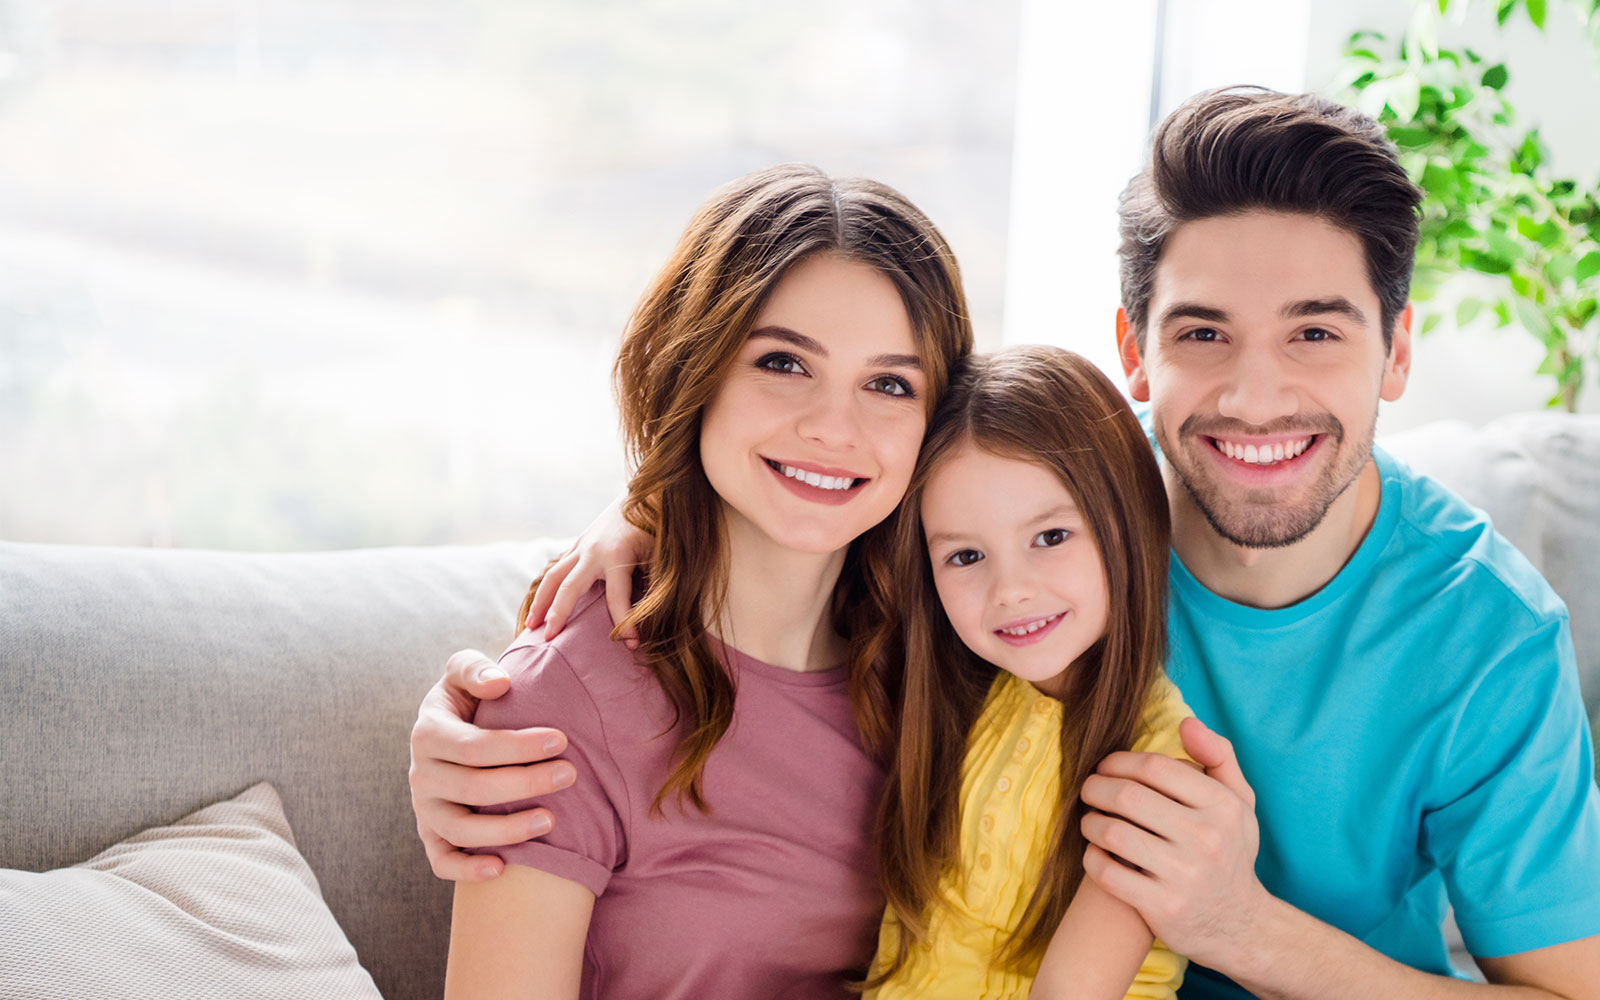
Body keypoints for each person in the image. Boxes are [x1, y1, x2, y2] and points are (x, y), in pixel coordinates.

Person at [411, 89, 1600, 997]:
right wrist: (636, 522)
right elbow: (843, 457)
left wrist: (1238, 926)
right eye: (1202, 333)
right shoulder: (1046, 502)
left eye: (1315, 334)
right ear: (1133, 353)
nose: (1251, 398)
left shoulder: (1486, 640)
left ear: (1397, 354)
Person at [440, 162, 974, 1000]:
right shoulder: (564, 699)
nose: (834, 427)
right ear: (697, 371)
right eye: (784, 364)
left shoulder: (952, 657)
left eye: (888, 384)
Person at [864, 345, 1195, 999]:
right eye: (965, 555)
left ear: (1126, 523)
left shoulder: (1158, 765)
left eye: (1050, 537)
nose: (1010, 590)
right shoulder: (965, 691)